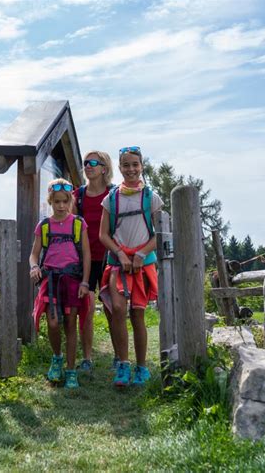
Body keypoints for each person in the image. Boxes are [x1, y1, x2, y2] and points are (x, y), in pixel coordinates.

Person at [99, 146, 163, 387]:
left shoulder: (151, 197)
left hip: (142, 266)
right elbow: (103, 234)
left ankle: (142, 367)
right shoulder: (111, 199)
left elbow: (161, 233)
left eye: (135, 164)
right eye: (126, 165)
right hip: (117, 264)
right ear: (120, 168)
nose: (131, 169)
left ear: (142, 166)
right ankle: (123, 365)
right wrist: (120, 254)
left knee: (138, 314)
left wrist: (141, 253)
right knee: (117, 309)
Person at [29, 178, 91, 389]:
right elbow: (34, 254)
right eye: (57, 202)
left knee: (70, 324)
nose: (61, 206)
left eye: (65, 201)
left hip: (72, 281)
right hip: (51, 280)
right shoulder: (44, 226)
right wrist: (34, 267)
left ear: (70, 201)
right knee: (54, 323)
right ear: (50, 201)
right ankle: (57, 358)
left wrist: (85, 282)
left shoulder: (78, 224)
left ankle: (72, 371)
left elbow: (86, 254)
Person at [73, 151, 118, 375]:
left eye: (93, 163)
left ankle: (120, 356)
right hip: (86, 261)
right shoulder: (77, 195)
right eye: (86, 163)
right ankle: (87, 358)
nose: (88, 166)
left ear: (104, 168)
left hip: (110, 258)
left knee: (112, 309)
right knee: (87, 309)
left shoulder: (115, 194)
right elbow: (69, 224)